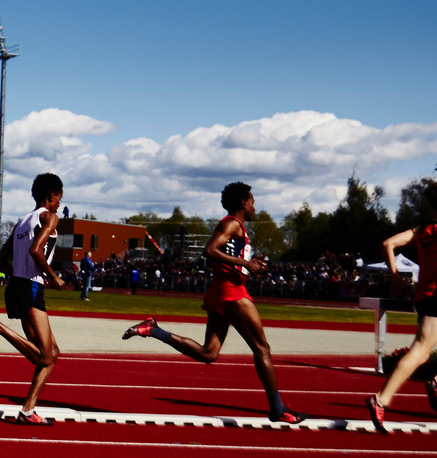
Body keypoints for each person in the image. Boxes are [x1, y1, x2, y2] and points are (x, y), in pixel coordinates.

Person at [122, 182, 306, 424]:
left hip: (222, 289)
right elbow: (210, 250)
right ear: (243, 202)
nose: (254, 205)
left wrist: (250, 263)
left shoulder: (236, 227)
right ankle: (277, 409)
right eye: (252, 201)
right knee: (262, 349)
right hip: (232, 293)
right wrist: (244, 265)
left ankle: (154, 329)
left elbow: (220, 258)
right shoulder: (231, 223)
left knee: (209, 353)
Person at [362, 182, 437, 432]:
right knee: (420, 351)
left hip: (426, 296)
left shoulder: (421, 230)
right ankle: (380, 399)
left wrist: (396, 278)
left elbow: (387, 244)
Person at [0, 172, 67, 425]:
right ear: (51, 196)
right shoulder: (48, 217)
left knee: (52, 352)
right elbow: (35, 251)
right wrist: (53, 278)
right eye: (59, 199)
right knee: (44, 356)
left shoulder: (22, 221)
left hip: (18, 285)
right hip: (31, 287)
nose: (60, 205)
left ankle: (27, 411)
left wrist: (17, 276)